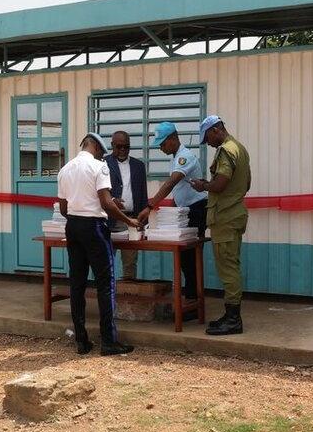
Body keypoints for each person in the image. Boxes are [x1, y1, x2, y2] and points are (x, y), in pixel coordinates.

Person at [57, 133, 141, 356]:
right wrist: (128, 220)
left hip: (73, 227)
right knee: (106, 284)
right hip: (94, 228)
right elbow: (105, 203)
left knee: (77, 284)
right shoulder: (99, 167)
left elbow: (64, 209)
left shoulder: (65, 169)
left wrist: (82, 214)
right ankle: (109, 341)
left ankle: (81, 340)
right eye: (101, 151)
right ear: (94, 146)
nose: (102, 155)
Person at [137, 122, 208, 313]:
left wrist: (150, 206)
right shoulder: (176, 158)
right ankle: (190, 299)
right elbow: (179, 190)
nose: (160, 148)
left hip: (196, 210)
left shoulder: (185, 157)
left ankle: (193, 304)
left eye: (162, 143)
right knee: (185, 258)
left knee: (190, 257)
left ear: (173, 138)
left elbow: (171, 183)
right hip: (185, 210)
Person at [190, 115, 251, 336]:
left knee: (228, 269)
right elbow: (247, 183)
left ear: (216, 130)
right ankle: (230, 314)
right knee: (230, 265)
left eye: (207, 138)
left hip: (226, 217)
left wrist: (203, 186)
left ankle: (234, 320)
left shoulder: (226, 150)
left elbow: (221, 183)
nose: (207, 143)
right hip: (233, 214)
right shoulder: (240, 148)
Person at [104, 130, 148, 279]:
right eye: (119, 146)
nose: (123, 150)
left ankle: (128, 291)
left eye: (126, 146)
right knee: (106, 261)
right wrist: (111, 200)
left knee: (130, 262)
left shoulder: (139, 166)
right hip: (109, 220)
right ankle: (107, 292)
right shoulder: (103, 164)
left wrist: (144, 223)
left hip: (132, 220)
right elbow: (96, 191)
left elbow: (143, 194)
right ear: (112, 145)